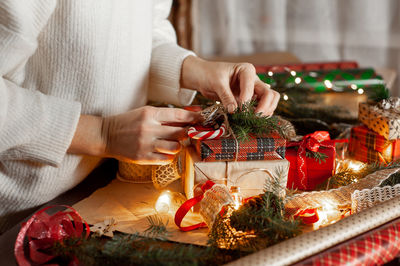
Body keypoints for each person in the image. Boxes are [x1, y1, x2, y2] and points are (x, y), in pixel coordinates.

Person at [0, 0, 279, 233]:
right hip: (22, 214)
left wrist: (193, 69)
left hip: (104, 182)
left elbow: (142, 33)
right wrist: (99, 134)